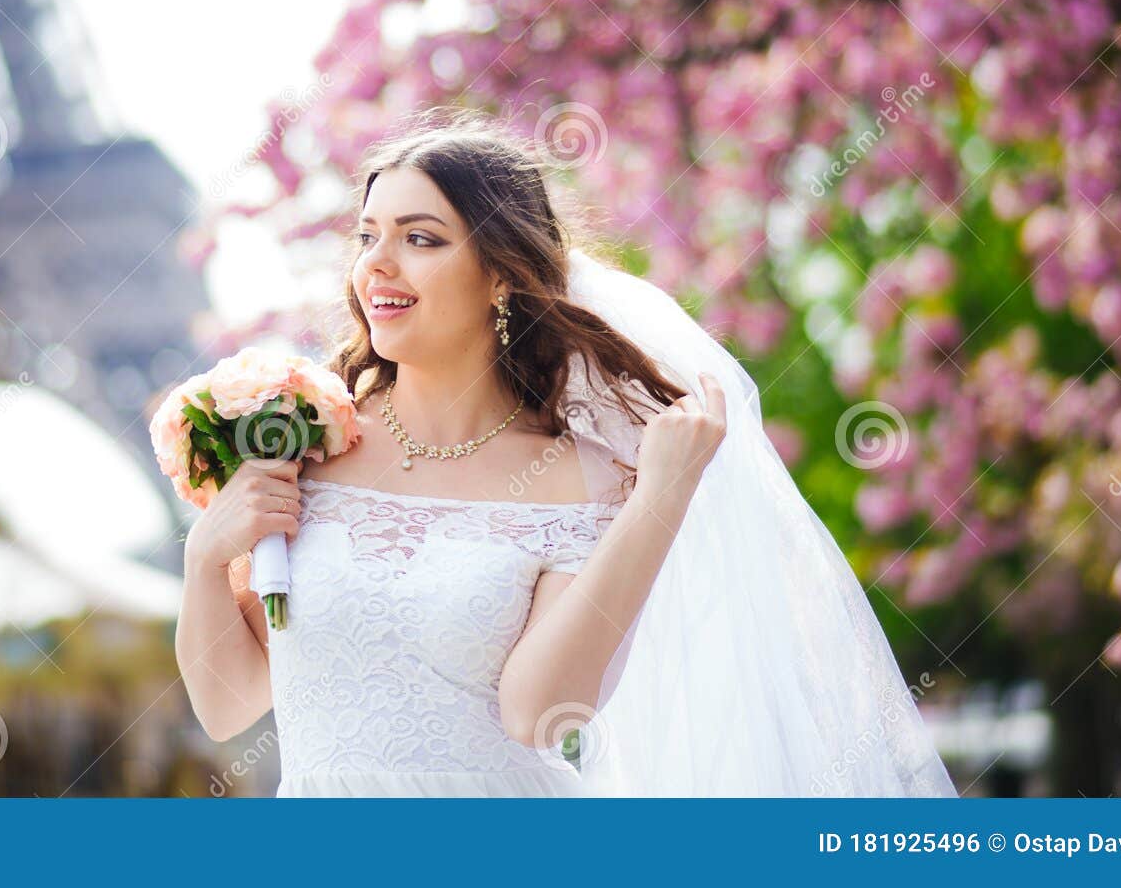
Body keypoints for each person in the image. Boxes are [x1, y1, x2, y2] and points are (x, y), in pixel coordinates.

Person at [175, 114, 957, 798]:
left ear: (501, 277)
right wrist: (206, 557)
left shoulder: (580, 478)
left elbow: (539, 712)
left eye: (420, 238)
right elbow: (228, 701)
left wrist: (659, 499)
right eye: (368, 235)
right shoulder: (309, 443)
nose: (377, 262)